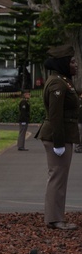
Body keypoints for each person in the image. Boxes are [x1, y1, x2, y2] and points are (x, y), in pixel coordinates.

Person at [38, 44, 79, 230]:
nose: (76, 64)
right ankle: (55, 219)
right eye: (72, 61)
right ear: (63, 63)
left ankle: (56, 217)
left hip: (63, 135)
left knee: (59, 176)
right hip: (57, 136)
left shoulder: (63, 81)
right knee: (57, 177)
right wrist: (59, 142)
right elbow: (55, 115)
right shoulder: (57, 83)